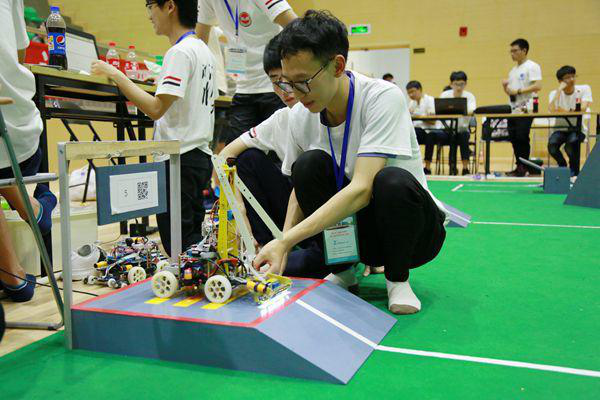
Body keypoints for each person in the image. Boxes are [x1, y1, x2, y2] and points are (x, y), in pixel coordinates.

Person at [252, 10, 448, 315]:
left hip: (414, 234)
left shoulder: (382, 98)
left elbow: (362, 189)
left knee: (389, 180)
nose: (296, 94)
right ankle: (343, 270)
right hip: (361, 237)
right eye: (288, 83)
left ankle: (397, 279)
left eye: (303, 82)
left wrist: (287, 240)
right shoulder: (300, 116)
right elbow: (299, 192)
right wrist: (282, 245)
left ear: (338, 65)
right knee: (307, 165)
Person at [92, 0, 217, 256]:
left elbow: (156, 108)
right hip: (198, 157)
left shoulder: (180, 52)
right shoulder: (203, 50)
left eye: (150, 6)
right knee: (192, 241)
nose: (149, 14)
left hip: (179, 158)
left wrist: (116, 75)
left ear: (170, 6)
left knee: (179, 247)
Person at [0, 0, 57, 303]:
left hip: (11, 127)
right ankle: (34, 210)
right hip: (19, 123)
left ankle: (13, 275)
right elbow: (20, 53)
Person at [220, 34, 298, 247]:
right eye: (275, 81)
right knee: (248, 159)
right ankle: (263, 244)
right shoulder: (280, 119)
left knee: (309, 164)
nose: (284, 88)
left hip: (326, 208)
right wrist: (240, 211)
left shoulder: (325, 112)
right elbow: (224, 156)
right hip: (292, 209)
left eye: (289, 78)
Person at [196, 0, 297, 150]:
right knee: (237, 156)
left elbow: (296, 27)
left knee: (280, 152)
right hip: (243, 86)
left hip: (274, 86)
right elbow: (199, 41)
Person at [502, 38, 542, 177]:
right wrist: (505, 88)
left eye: (515, 51)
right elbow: (511, 92)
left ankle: (524, 166)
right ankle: (520, 166)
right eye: (511, 51)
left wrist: (518, 91)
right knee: (513, 137)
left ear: (524, 50)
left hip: (526, 108)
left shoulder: (532, 66)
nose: (512, 54)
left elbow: (538, 86)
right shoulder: (513, 70)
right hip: (513, 109)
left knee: (522, 136)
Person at [548, 65, 593, 176]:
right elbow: (552, 109)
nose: (572, 79)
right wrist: (559, 90)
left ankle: (574, 170)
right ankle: (563, 167)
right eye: (568, 77)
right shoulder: (555, 93)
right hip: (560, 129)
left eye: (573, 76)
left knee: (570, 145)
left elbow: (583, 108)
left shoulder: (584, 89)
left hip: (577, 129)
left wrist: (562, 110)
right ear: (560, 81)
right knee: (552, 146)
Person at [439, 71, 476, 175]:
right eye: (456, 84)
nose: (459, 87)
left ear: (466, 84)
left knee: (463, 137)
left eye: (462, 84)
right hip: (447, 130)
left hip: (463, 129)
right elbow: (439, 110)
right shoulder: (445, 95)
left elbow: (472, 110)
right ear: (451, 84)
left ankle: (465, 168)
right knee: (452, 137)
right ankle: (452, 167)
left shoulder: (469, 96)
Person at [406, 80, 442, 174]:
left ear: (420, 90)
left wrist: (419, 115)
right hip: (419, 131)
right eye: (409, 93)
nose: (411, 95)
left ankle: (427, 167)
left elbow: (433, 121)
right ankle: (411, 165)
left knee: (430, 136)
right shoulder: (411, 103)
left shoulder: (430, 100)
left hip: (432, 130)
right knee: (408, 135)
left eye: (413, 91)